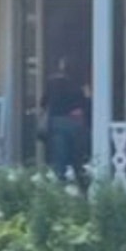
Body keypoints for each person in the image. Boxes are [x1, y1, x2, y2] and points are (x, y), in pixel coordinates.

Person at [41, 59, 91, 192]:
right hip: (75, 124)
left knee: (59, 158)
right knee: (77, 158)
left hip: (56, 123)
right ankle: (82, 189)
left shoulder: (52, 82)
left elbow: (43, 102)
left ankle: (59, 191)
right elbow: (86, 105)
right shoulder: (79, 85)